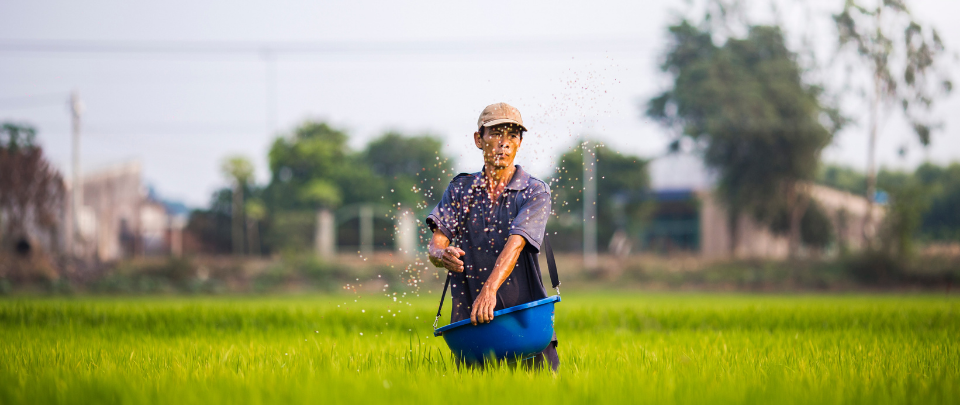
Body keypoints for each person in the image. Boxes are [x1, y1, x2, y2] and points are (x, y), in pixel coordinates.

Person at [426, 102, 558, 371]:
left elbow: (516, 243)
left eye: (512, 135)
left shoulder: (534, 192)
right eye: (496, 134)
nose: (504, 143)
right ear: (479, 139)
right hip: (473, 325)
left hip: (527, 321)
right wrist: (442, 255)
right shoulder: (460, 190)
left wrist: (489, 290)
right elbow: (436, 245)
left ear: (520, 142)